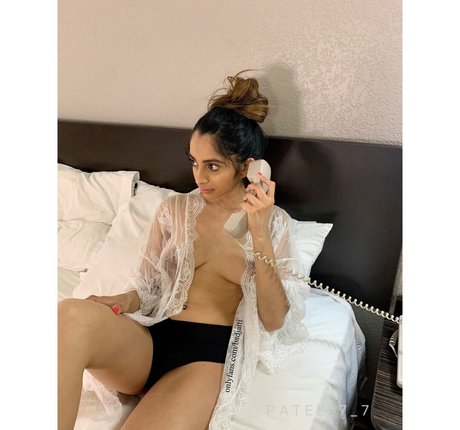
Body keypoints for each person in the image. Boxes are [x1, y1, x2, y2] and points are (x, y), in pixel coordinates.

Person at [58, 71, 310, 430]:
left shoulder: (273, 223)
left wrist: (259, 233)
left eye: (212, 166)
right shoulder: (175, 210)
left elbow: (274, 319)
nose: (199, 177)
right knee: (71, 314)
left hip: (204, 356)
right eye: (194, 162)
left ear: (248, 167)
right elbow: (146, 288)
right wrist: (121, 301)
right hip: (151, 340)